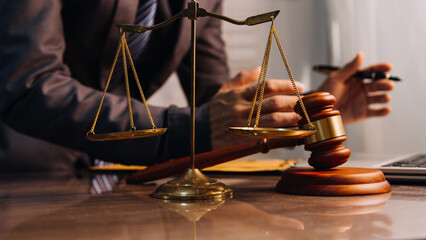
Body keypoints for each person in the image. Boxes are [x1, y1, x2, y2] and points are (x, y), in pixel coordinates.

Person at [0, 0, 393, 171]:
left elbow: (215, 106)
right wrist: (191, 129)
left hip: (108, 179)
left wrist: (309, 112)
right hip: (21, 180)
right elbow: (29, 83)